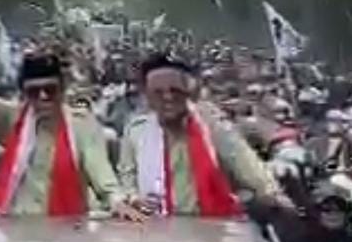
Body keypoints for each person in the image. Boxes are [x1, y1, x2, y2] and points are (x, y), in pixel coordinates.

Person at [0, 34, 139, 219]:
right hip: (19, 225)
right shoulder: (14, 119)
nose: (43, 97)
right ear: (24, 94)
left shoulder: (82, 124)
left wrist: (117, 201)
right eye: (34, 92)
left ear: (63, 89)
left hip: (68, 226)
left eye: (50, 90)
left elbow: (101, 173)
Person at [118, 53, 284, 216]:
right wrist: (133, 198)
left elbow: (246, 165)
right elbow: (127, 178)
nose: (168, 97)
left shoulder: (212, 126)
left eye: (175, 91)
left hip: (208, 222)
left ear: (188, 92)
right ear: (147, 96)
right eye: (158, 92)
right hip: (154, 223)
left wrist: (272, 194)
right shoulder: (136, 131)